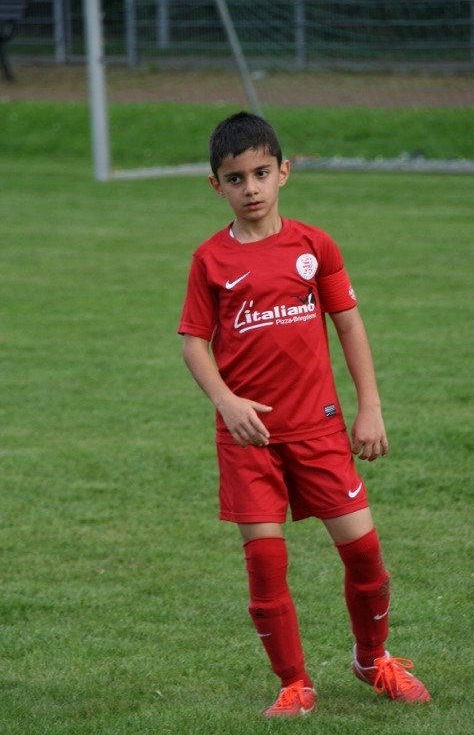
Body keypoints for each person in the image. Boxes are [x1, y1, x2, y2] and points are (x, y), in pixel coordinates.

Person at [178, 111, 431, 717]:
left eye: (262, 173)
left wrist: (369, 408)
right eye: (236, 178)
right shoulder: (210, 260)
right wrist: (227, 401)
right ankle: (294, 683)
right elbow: (193, 342)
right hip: (250, 438)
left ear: (284, 172)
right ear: (216, 186)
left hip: (318, 429)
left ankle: (373, 659)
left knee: (365, 554)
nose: (251, 188)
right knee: (266, 564)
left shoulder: (315, 246)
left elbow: (349, 324)